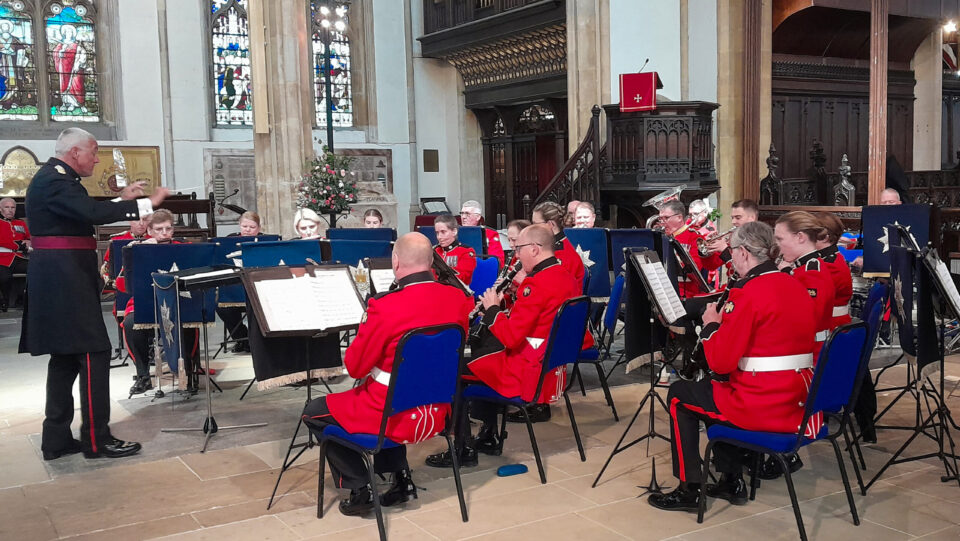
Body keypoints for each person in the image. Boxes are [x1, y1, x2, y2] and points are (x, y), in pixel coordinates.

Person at [648, 222, 818, 512]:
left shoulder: (749, 292)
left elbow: (721, 361)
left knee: (679, 393)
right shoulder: (795, 283)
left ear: (741, 253)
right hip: (798, 398)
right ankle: (730, 479)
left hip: (764, 404)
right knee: (713, 389)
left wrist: (712, 325)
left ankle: (689, 488)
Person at [21, 127, 169, 461]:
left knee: (65, 356)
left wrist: (123, 199)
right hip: (64, 276)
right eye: (93, 151)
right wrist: (143, 203)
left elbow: (81, 208)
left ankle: (55, 439)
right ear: (74, 152)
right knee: (93, 352)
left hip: (61, 274)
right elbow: (91, 213)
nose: (96, 158)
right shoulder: (54, 179)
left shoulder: (55, 179)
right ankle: (96, 438)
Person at [302, 233, 473, 516]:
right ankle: (401, 479)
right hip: (438, 413)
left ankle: (360, 487)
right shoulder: (457, 299)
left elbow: (356, 368)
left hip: (390, 417)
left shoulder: (384, 306)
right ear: (432, 261)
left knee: (314, 411)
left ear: (395, 262)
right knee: (396, 390)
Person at [425, 224, 582, 468]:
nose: (516, 255)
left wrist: (492, 309)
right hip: (550, 365)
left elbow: (510, 337)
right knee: (483, 349)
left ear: (534, 249)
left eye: (518, 249)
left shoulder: (537, 284)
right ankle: (488, 434)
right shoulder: (565, 277)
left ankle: (463, 447)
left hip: (526, 373)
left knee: (453, 368)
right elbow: (537, 320)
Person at [116, 210, 200, 395]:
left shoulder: (183, 247)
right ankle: (143, 376)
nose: (164, 233)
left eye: (168, 228)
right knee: (130, 324)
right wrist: (135, 253)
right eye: (159, 229)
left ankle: (187, 373)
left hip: (178, 300)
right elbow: (123, 285)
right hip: (145, 300)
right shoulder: (137, 248)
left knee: (190, 321)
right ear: (150, 231)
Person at [659, 200, 722, 299]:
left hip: (686, 292)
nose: (662, 223)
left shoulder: (694, 238)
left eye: (666, 218)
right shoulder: (662, 238)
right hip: (666, 289)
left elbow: (693, 273)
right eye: (661, 219)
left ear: (679, 217)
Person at [219, 211, 261, 353]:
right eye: (244, 226)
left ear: (259, 228)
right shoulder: (230, 240)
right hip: (234, 287)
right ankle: (243, 339)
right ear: (239, 226)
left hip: (257, 288)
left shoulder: (264, 240)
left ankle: (258, 341)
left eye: (252, 227)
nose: (248, 230)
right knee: (222, 306)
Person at [0, 197, 29, 310]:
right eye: (7, 207)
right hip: (2, 258)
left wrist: (28, 241)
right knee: (4, 277)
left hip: (18, 257)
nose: (10, 210)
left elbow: (28, 237)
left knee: (34, 269)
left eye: (13, 207)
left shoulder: (20, 223)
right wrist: (18, 244)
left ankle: (22, 298)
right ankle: (5, 301)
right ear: (0, 209)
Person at [434, 214, 477, 285]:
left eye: (443, 232)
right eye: (437, 233)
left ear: (454, 231)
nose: (439, 237)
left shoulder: (466, 252)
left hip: (458, 292)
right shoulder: (435, 251)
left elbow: (462, 278)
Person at [459, 200, 504, 264]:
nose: (463, 217)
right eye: (462, 213)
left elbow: (497, 260)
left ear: (478, 217)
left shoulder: (489, 233)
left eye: (467, 214)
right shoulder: (455, 232)